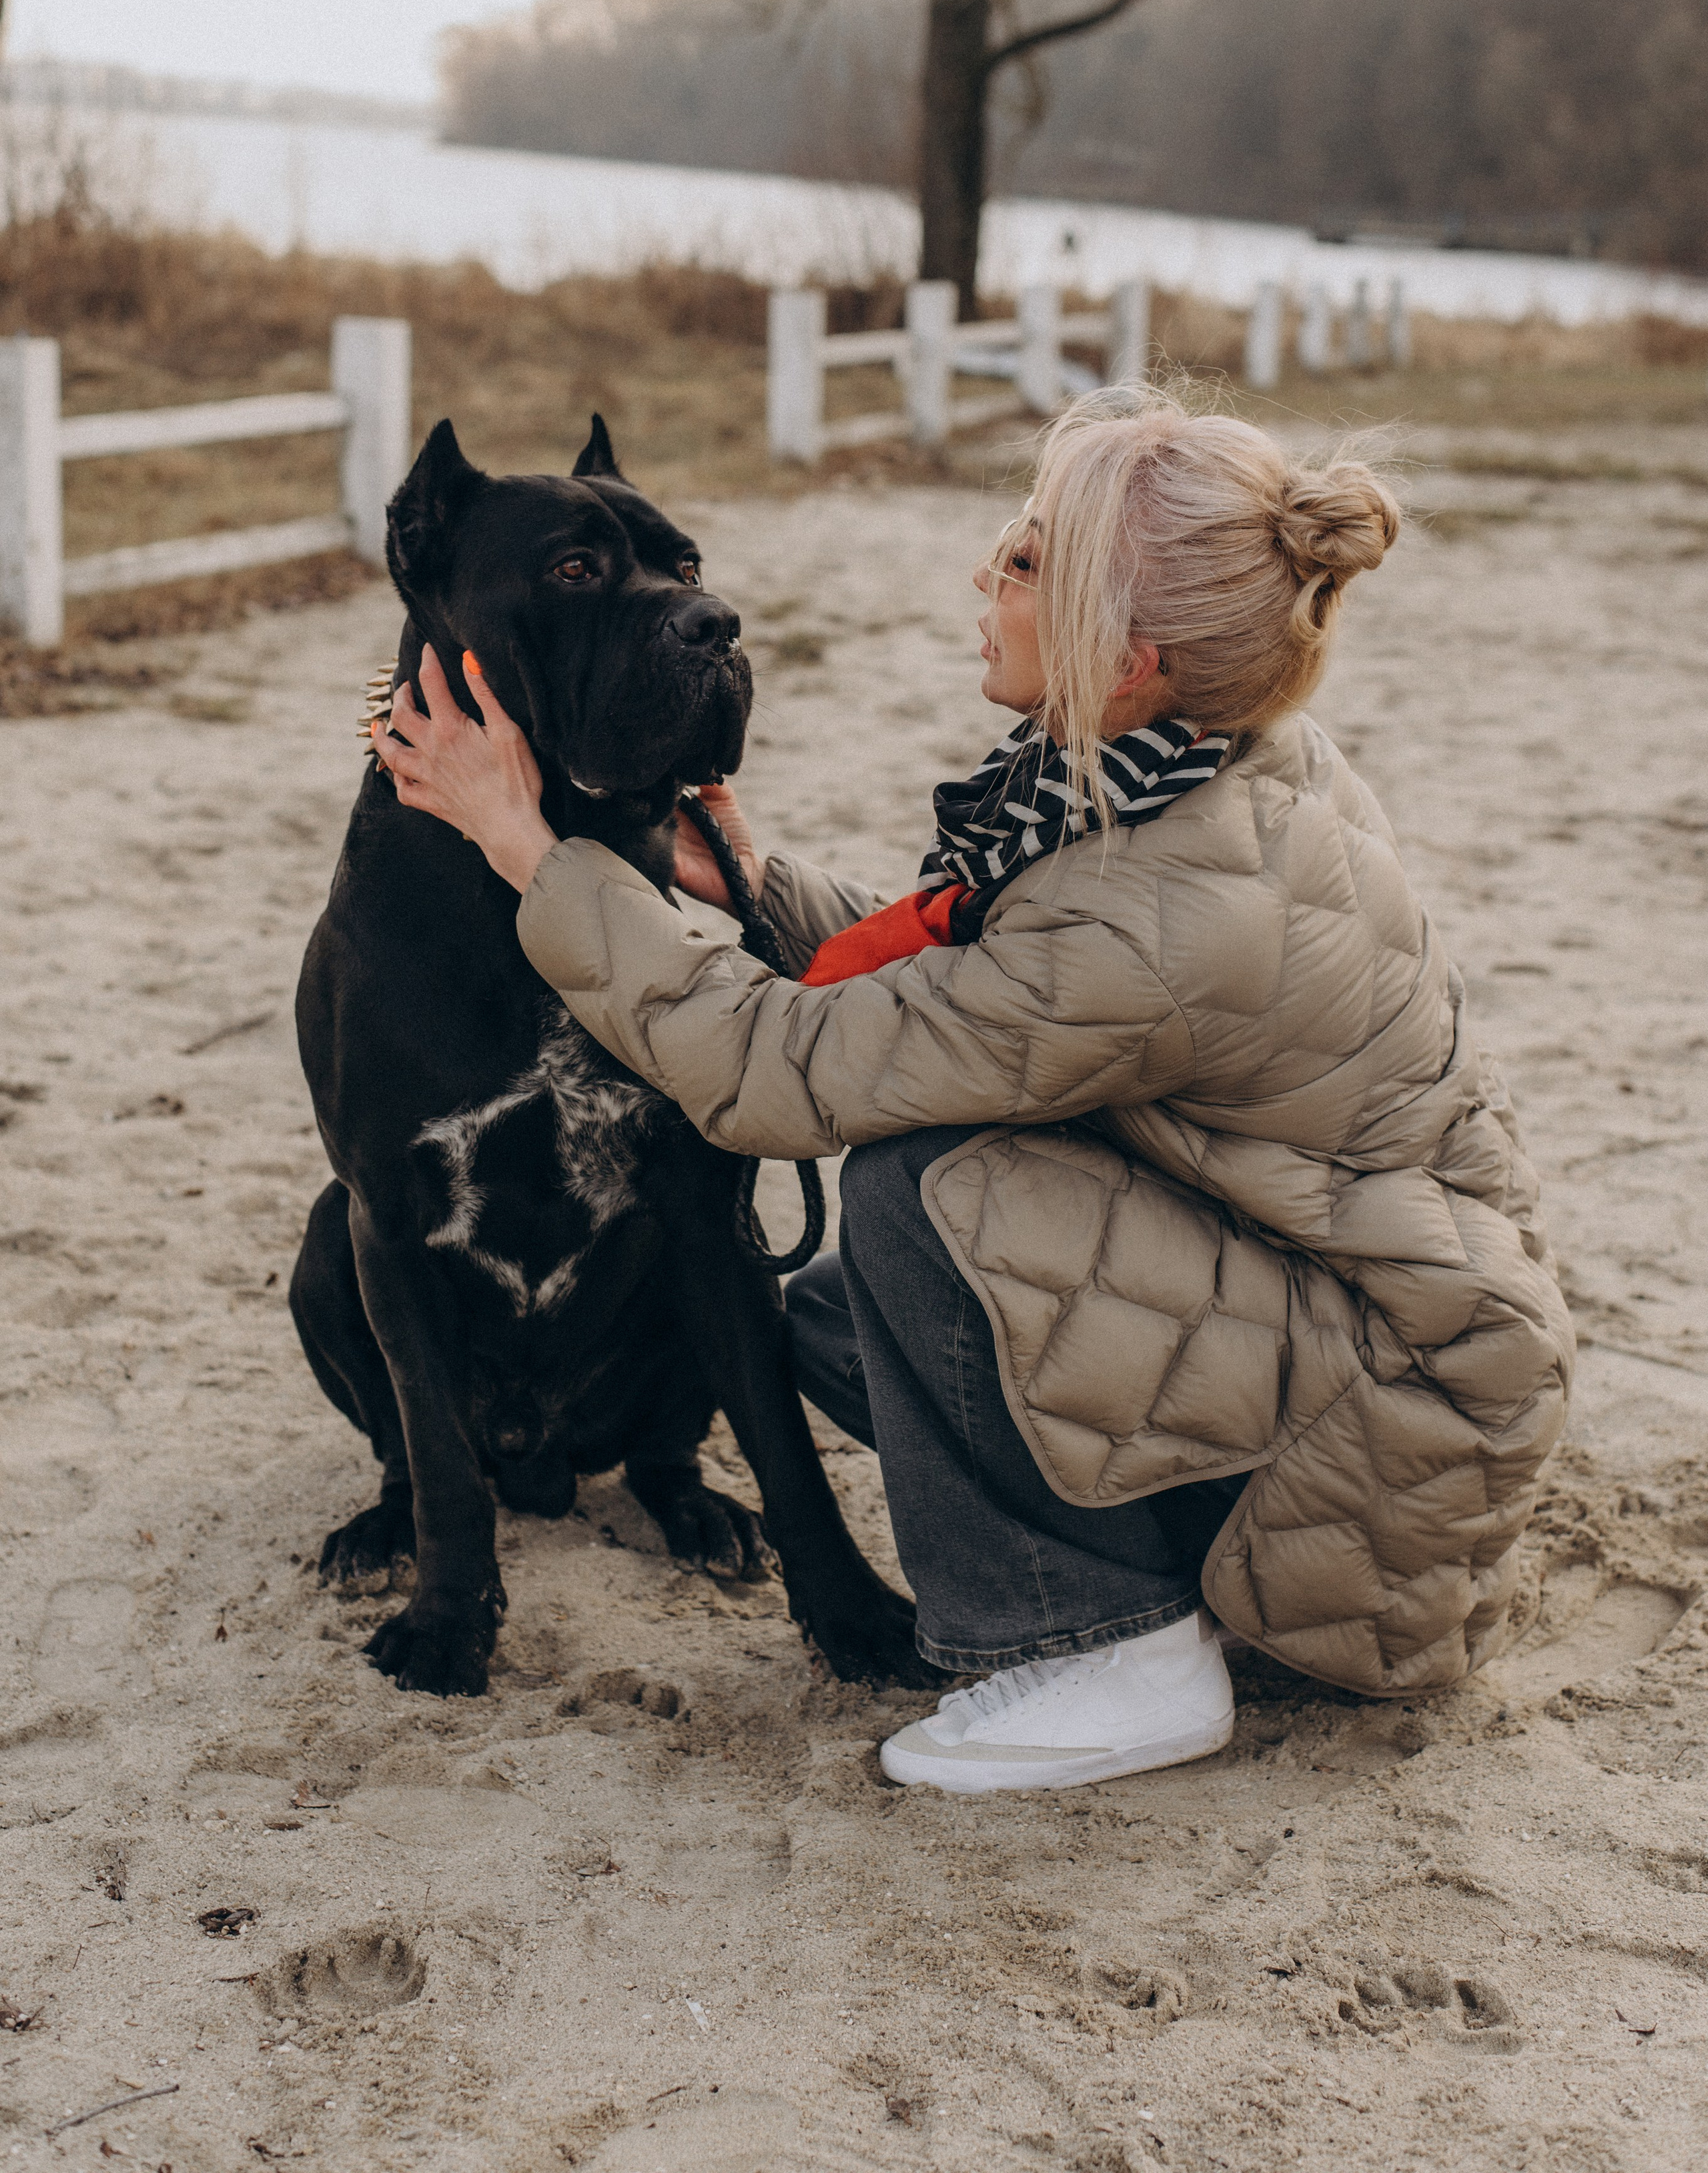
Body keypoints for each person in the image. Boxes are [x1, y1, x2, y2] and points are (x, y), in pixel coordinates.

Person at [372, 386, 1572, 1797]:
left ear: (1123, 651)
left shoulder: (1165, 912)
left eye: (1020, 563)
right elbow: (975, 992)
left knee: (915, 1189)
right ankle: (1150, 1570)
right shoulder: (1192, 763)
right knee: (834, 1315)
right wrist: (751, 886)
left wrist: (530, 852)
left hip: (1391, 1448)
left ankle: (1111, 1647)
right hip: (1370, 1344)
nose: (982, 580)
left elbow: (775, 1075)